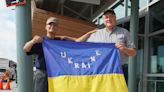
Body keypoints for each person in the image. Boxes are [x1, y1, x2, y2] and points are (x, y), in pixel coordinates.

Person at [63, 9, 136, 84]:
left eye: (111, 16)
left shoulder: (124, 32)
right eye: (106, 17)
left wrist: (124, 49)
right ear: (103, 20)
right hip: (102, 71)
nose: (108, 19)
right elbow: (80, 44)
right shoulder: (96, 34)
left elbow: (133, 53)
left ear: (115, 18)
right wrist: (62, 38)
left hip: (120, 70)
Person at [23, 17, 62, 92]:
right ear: (46, 27)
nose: (52, 26)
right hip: (42, 75)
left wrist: (90, 33)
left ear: (57, 28)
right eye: (50, 24)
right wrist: (33, 41)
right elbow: (25, 49)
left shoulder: (59, 42)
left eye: (55, 25)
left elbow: (77, 41)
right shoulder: (41, 41)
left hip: (56, 75)